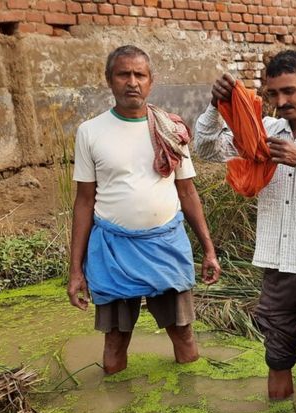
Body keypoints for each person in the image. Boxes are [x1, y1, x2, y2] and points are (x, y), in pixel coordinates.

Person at [193, 50, 296, 403]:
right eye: (273, 94)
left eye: (289, 91)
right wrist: (214, 106)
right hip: (277, 267)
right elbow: (205, 150)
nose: (281, 102)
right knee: (276, 353)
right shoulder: (262, 131)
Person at [67, 45, 221, 375]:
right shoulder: (90, 132)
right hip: (112, 251)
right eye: (124, 74)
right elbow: (83, 202)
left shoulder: (171, 129)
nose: (132, 82)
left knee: (183, 334)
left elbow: (187, 191)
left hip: (165, 245)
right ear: (110, 80)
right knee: (115, 342)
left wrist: (209, 250)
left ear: (151, 82)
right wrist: (76, 270)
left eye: (140, 75)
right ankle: (116, 407)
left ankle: (191, 399)